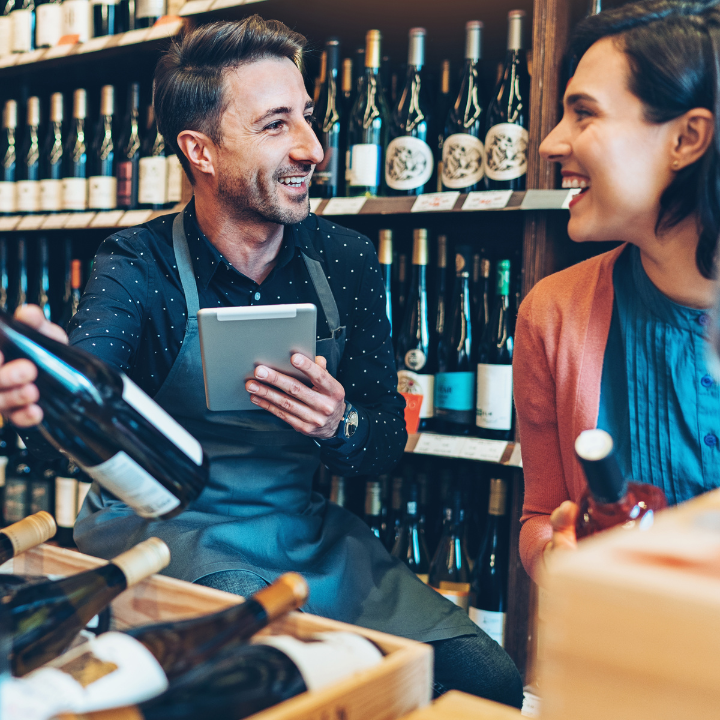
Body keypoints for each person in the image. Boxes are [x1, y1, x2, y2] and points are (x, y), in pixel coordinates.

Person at [0, 17, 522, 707]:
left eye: (307, 117)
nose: (312, 147)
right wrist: (31, 396)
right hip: (168, 534)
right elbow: (80, 398)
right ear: (202, 151)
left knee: (492, 680)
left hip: (303, 533)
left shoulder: (345, 261)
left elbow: (385, 439)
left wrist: (341, 424)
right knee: (269, 664)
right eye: (277, 125)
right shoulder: (138, 265)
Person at [515, 0, 720, 581]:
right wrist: (555, 553)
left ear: (687, 138)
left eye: (584, 114)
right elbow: (538, 516)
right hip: (622, 655)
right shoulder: (551, 314)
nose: (551, 143)